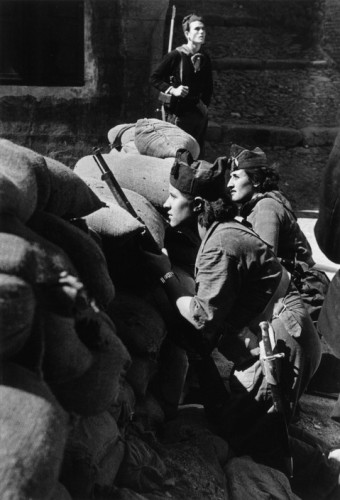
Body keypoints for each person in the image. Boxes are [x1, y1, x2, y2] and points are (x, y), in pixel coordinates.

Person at [142, 152, 324, 472]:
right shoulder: (219, 233)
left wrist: (166, 273)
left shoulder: (221, 243)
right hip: (276, 334)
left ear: (198, 206)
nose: (166, 206)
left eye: (173, 198)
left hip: (280, 339)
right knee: (245, 424)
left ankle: (324, 476)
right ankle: (319, 460)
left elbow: (202, 315)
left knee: (254, 442)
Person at [226, 144, 329, 323]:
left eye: (235, 177)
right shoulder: (257, 206)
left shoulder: (266, 207)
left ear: (256, 180)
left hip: (302, 296)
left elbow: (265, 264)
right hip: (290, 289)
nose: (229, 184)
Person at [150, 13, 213, 154]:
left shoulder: (205, 57)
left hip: (198, 113)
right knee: (179, 155)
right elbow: (154, 78)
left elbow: (209, 86)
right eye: (196, 29)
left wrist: (204, 107)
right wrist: (173, 89)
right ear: (187, 34)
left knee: (197, 154)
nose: (201, 32)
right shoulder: (176, 56)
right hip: (178, 114)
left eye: (203, 29)